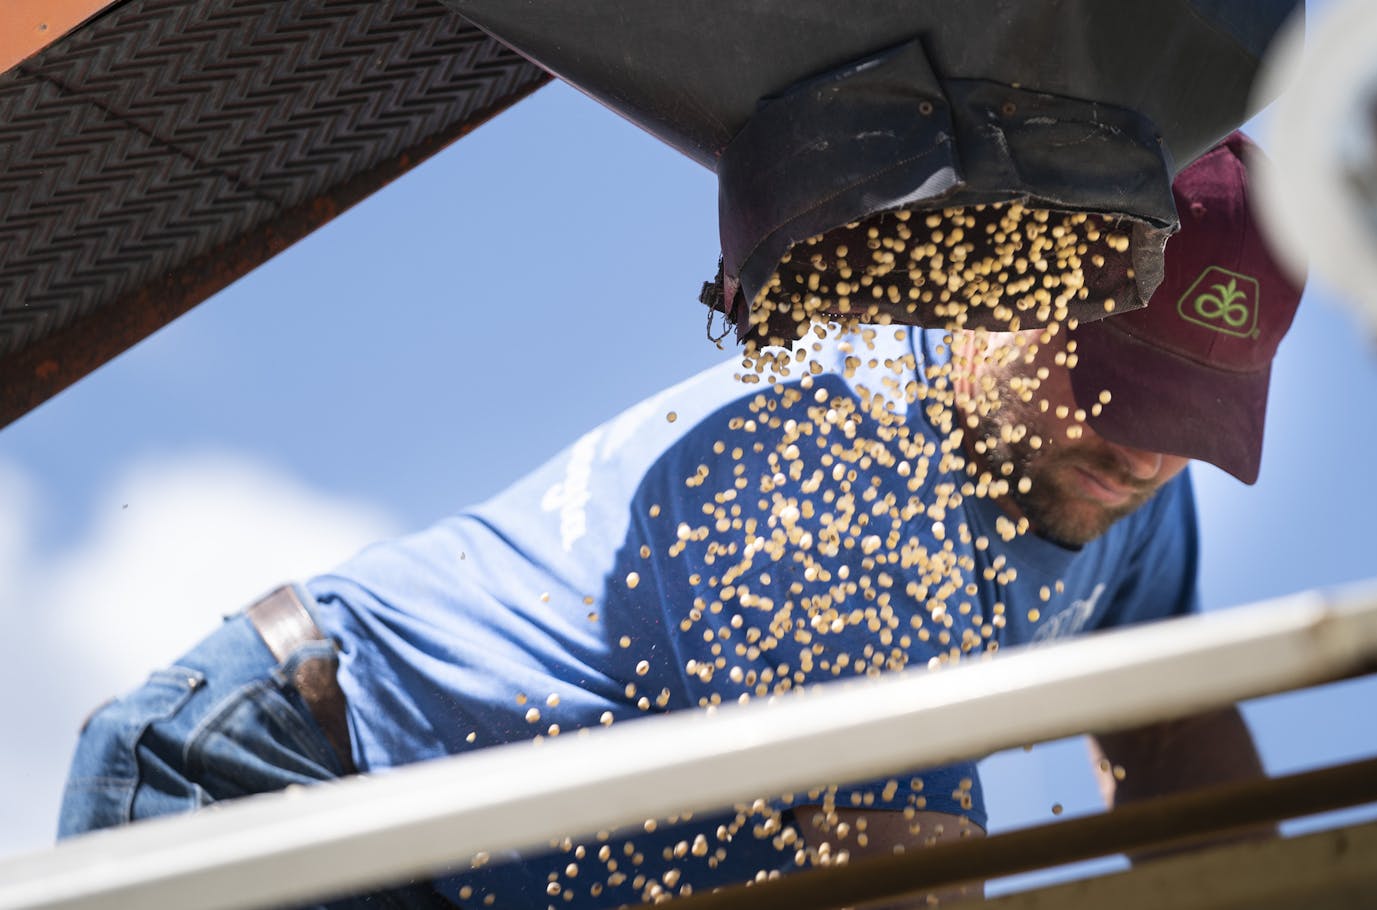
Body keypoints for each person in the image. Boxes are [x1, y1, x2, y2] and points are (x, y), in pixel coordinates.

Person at [58, 132, 1301, 908]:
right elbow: (900, 880)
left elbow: (1169, 714)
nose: (1142, 447)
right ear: (992, 288)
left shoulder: (1111, 475)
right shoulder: (844, 482)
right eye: (1110, 384)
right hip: (285, 789)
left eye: (1186, 418)